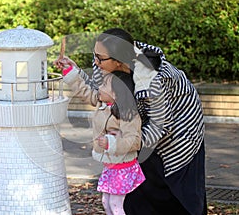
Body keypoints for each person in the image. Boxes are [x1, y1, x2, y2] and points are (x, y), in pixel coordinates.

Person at [55, 28, 207, 214]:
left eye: (100, 58)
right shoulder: (103, 65)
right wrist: (72, 72)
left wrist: (123, 142)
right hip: (135, 125)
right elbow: (98, 94)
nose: (95, 61)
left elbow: (159, 125)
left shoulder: (155, 79)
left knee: (176, 191)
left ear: (119, 61)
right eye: (95, 55)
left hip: (179, 127)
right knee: (135, 189)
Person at [56, 57, 146, 214]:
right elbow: (84, 91)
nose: (100, 87)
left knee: (116, 205)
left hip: (123, 167)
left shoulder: (128, 114)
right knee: (106, 202)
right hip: (110, 165)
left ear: (117, 94)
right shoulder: (102, 103)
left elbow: (134, 141)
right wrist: (69, 72)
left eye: (104, 85)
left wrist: (111, 142)